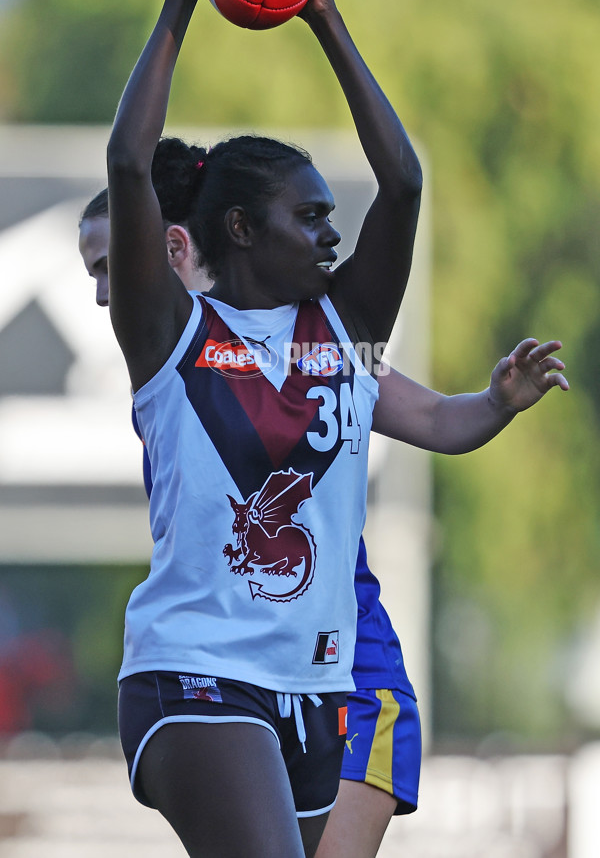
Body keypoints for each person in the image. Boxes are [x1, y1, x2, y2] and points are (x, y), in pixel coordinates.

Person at [79, 185, 568, 858]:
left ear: (175, 246)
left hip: (349, 668)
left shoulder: (315, 341)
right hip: (241, 672)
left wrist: (493, 401)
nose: (106, 294)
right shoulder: (168, 361)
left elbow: (429, 415)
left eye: (111, 264)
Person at [102, 0, 423, 858]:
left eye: (332, 216)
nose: (331, 232)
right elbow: (128, 162)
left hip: (317, 687)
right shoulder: (171, 333)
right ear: (239, 229)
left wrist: (327, 15)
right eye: (309, 216)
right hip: (193, 677)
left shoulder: (348, 326)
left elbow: (403, 183)